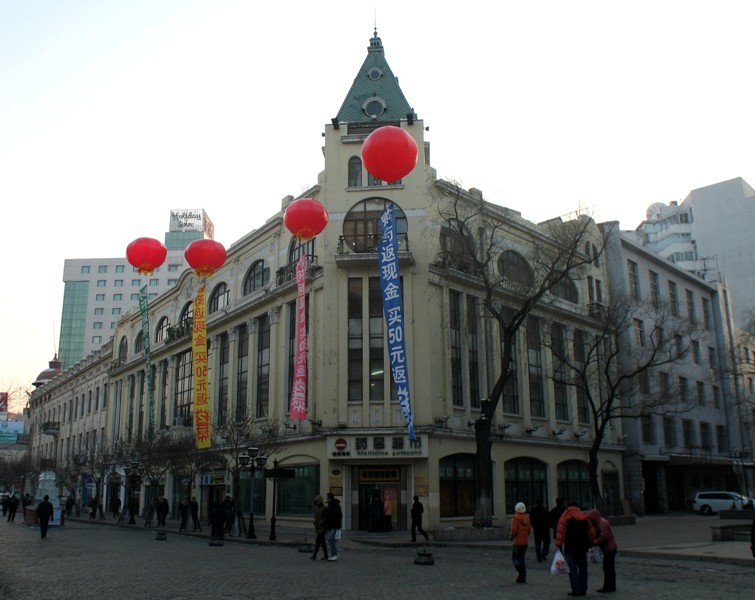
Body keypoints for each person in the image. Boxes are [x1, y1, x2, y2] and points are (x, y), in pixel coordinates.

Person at [555, 502, 596, 597]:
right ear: (578, 507)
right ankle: (583, 589)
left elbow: (560, 532)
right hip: (583, 547)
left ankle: (576, 589)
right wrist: (591, 543)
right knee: (583, 569)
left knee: (572, 570)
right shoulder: (584, 517)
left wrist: (558, 544)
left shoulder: (565, 517)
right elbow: (591, 532)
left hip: (570, 547)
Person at [587, 509, 618, 593]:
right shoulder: (600, 522)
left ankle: (609, 586)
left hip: (609, 548)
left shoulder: (602, 523)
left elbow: (604, 537)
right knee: (608, 568)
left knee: (608, 568)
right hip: (609, 548)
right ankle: (609, 586)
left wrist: (595, 542)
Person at [510, 502, 532, 584]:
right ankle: (522, 575)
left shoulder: (515, 518)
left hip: (517, 542)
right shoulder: (527, 518)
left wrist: (511, 537)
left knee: (515, 559)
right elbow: (529, 530)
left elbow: (514, 531)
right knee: (522, 559)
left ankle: (521, 573)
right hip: (524, 541)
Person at [325, 492, 342, 561]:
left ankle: (335, 553)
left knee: (330, 538)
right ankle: (334, 554)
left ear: (330, 498)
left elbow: (339, 516)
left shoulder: (336, 505)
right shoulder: (329, 505)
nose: (326, 498)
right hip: (330, 526)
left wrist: (338, 526)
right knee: (332, 540)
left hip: (335, 526)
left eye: (327, 497)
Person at [311, 495, 328, 560]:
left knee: (318, 541)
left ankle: (314, 555)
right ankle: (326, 555)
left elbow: (325, 517)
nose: (317, 503)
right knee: (323, 542)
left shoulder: (324, 508)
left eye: (318, 501)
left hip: (322, 527)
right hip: (318, 527)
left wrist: (321, 523)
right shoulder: (316, 508)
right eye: (316, 502)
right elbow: (315, 516)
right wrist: (315, 522)